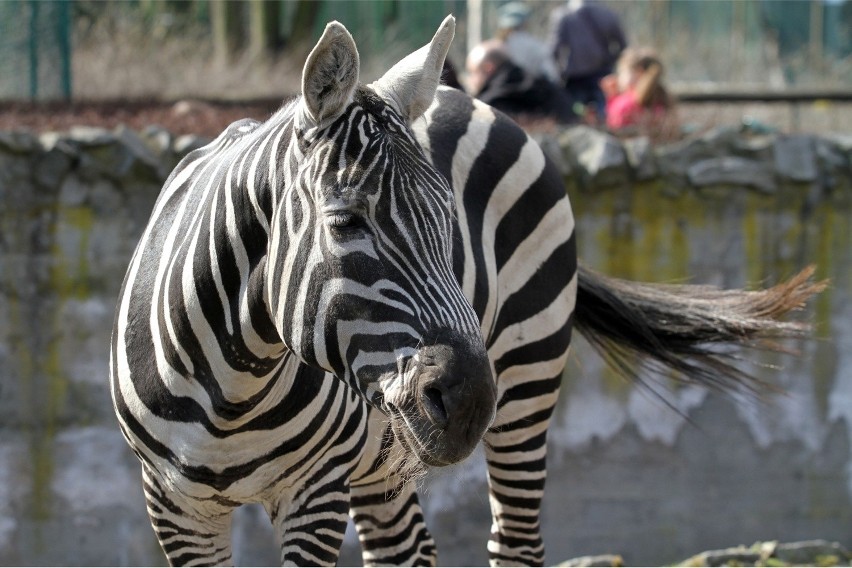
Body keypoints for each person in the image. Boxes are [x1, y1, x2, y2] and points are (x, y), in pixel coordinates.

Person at [549, 0, 627, 124]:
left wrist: (557, 72)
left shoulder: (563, 14)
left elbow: (555, 48)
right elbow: (623, 46)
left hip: (574, 76)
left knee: (575, 117)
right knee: (606, 116)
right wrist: (610, 61)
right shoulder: (607, 13)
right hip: (602, 73)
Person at [465, 39, 575, 125]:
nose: (470, 79)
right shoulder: (534, 79)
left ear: (488, 68)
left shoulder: (493, 99)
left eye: (472, 72)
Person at [599, 48, 679, 141]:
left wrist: (611, 98)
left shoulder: (625, 104)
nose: (618, 77)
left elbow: (614, 129)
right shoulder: (662, 99)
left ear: (639, 72)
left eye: (621, 72)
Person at [495, 2, 561, 85]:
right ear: (525, 23)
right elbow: (552, 75)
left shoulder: (496, 48)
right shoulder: (536, 46)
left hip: (501, 92)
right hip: (530, 93)